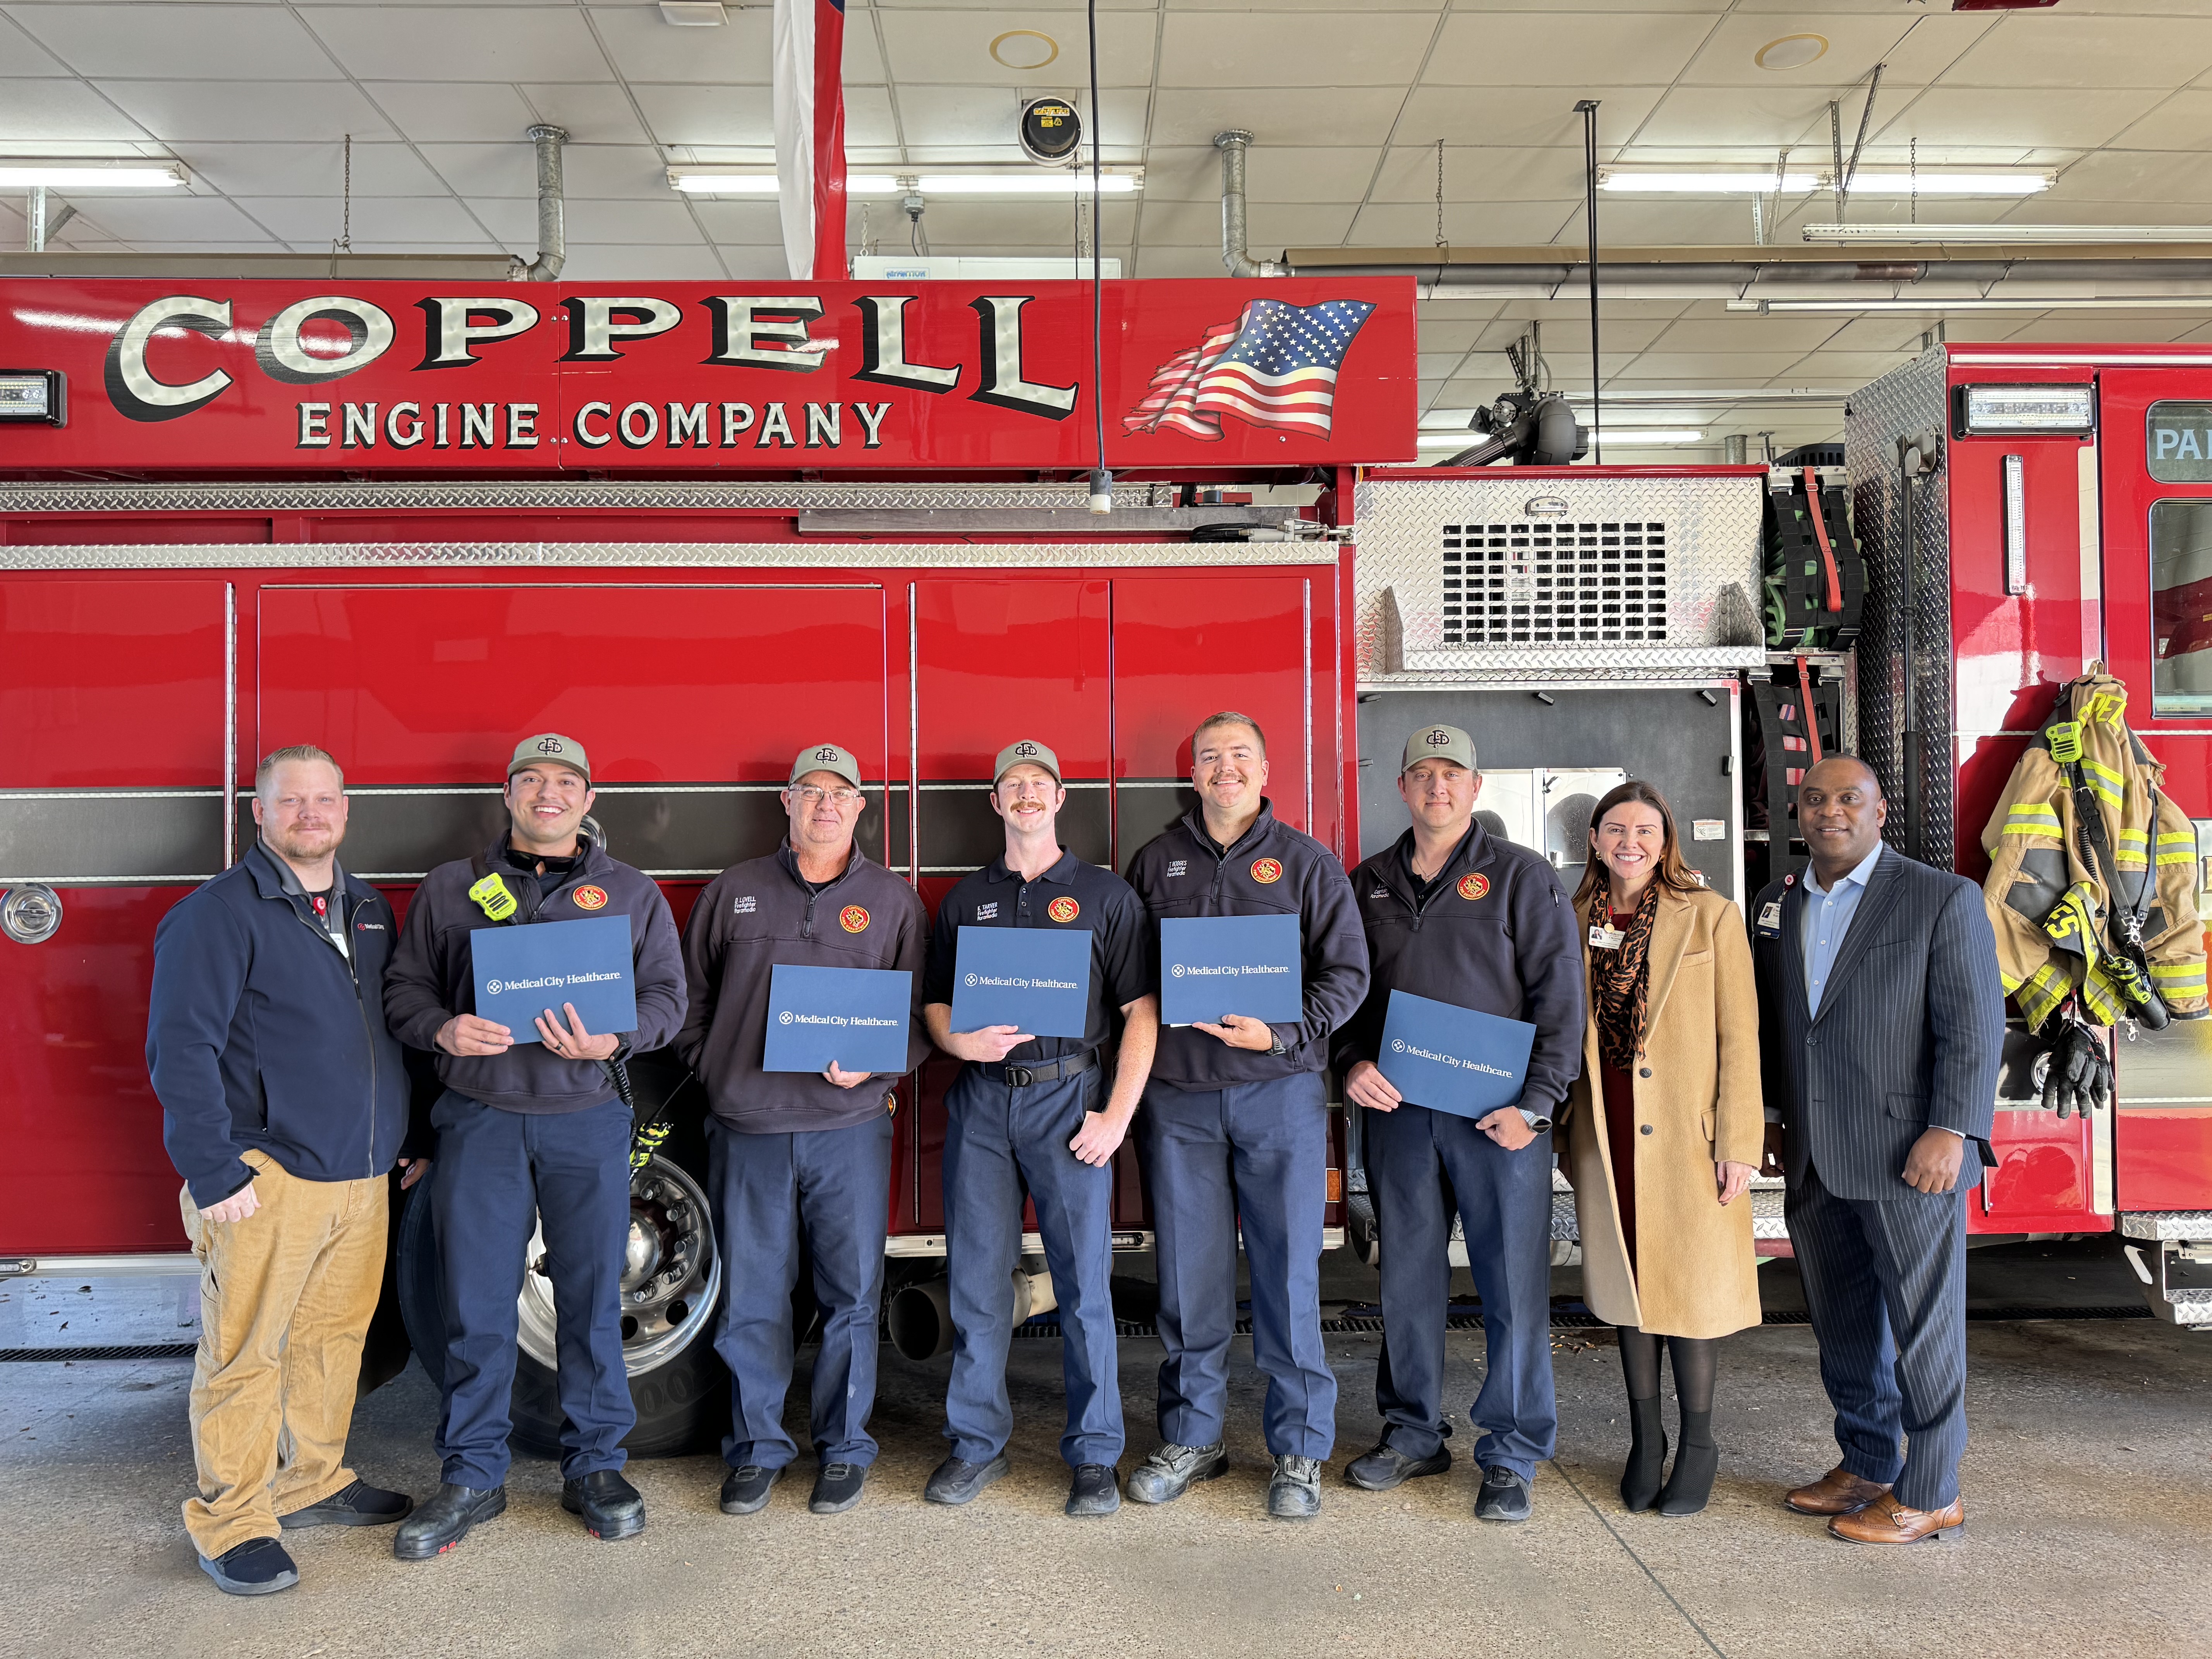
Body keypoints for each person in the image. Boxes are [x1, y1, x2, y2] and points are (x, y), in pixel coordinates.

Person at [384, 733, 686, 1558]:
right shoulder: (453, 889)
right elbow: (404, 991)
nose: (547, 794)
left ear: (589, 801)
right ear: (508, 794)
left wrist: (614, 1040)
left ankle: (595, 1467)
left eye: (565, 783)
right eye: (531, 780)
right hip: (479, 1120)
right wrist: (443, 1026)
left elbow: (669, 998)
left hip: (584, 1121)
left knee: (591, 1302)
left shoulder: (631, 893)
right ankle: (473, 1476)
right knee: (476, 1305)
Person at [147, 745, 424, 1596]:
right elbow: (181, 1049)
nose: (311, 814)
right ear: (257, 814)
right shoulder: (217, 915)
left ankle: (308, 1482)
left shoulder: (370, 908)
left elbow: (381, 1033)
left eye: (325, 799)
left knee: (330, 1342)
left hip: (362, 1172)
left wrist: (405, 1137)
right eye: (290, 801)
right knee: (246, 1352)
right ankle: (233, 1522)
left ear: (347, 809)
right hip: (267, 1176)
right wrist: (215, 1170)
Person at [1121, 711, 1369, 1520]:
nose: (1225, 769)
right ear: (1191, 775)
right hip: (1181, 1099)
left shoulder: (1307, 863)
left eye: (1240, 757)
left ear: (1266, 772)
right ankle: (1195, 1436)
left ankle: (1299, 1452)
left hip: (1280, 1095)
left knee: (1289, 1276)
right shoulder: (1155, 863)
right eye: (1209, 758)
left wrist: (1285, 1030)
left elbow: (1349, 975)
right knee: (1188, 1281)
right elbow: (1127, 976)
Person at [1751, 755, 2003, 1546]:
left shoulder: (1941, 898)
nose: (1832, 813)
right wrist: (1767, 1112)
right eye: (1815, 800)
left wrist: (1953, 1128)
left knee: (1925, 1327)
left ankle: (1932, 1491)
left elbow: (1973, 1025)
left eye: (1849, 799)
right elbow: (1777, 1021)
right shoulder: (1779, 904)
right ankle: (1867, 1462)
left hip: (1909, 1150)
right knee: (1845, 1319)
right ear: (1799, 814)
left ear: (1881, 810)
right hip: (1815, 1150)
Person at [1336, 725, 1583, 1524]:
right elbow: (1343, 994)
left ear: (1476, 789)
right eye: (1422, 774)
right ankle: (1412, 1432)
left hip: (1498, 1123)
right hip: (1402, 1119)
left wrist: (1539, 1104)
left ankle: (1511, 1451)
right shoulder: (1367, 883)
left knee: (1512, 1287)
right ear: (1402, 788)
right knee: (1407, 1282)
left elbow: (1560, 1003)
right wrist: (1351, 1064)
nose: (1437, 787)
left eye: (1453, 775)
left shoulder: (1524, 879)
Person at [678, 742, 929, 1518]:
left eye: (841, 793)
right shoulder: (734, 893)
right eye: (810, 791)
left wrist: (877, 1067)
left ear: (861, 808)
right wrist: (718, 1074)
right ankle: (756, 1451)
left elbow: (921, 1016)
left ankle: (845, 1449)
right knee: (753, 1295)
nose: (826, 804)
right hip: (748, 1129)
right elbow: (689, 1004)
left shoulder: (894, 902)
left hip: (848, 1131)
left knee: (851, 1294)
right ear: (785, 803)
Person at [920, 740, 1159, 1518]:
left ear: (1060, 799)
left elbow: (1141, 1014)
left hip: (1069, 1101)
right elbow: (934, 1003)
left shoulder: (1104, 895)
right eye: (1011, 785)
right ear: (995, 803)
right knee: (977, 1282)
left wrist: (1116, 1116)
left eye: (1038, 784)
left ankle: (1094, 1457)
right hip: (984, 1104)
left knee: (1085, 1286)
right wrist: (957, 1042)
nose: (1025, 795)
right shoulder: (964, 899)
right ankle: (975, 1446)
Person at [1560, 780, 1761, 1518]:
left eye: (1646, 830)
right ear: (1595, 838)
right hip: (1605, 1129)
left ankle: (1699, 1443)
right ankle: (1646, 1439)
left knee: (1689, 1292)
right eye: (1617, 828)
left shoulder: (1709, 916)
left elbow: (1741, 1038)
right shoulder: (1573, 916)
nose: (1631, 842)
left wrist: (1740, 1140)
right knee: (1630, 1290)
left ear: (1666, 838)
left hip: (1688, 1134)